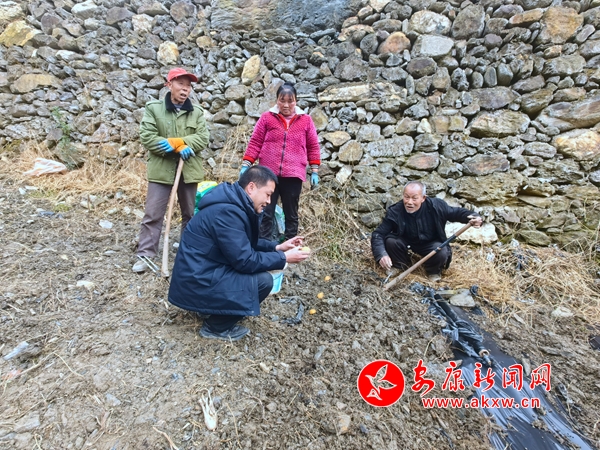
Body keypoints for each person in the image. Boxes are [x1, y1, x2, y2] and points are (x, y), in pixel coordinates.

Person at [168, 165, 311, 341]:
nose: (269, 201)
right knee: (262, 282)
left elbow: (243, 243)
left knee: (254, 274)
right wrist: (284, 258)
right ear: (251, 187)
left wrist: (277, 248)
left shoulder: (233, 205)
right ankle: (215, 327)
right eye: (267, 194)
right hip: (196, 282)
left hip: (200, 274)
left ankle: (210, 309)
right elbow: (245, 260)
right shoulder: (227, 213)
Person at [133, 68, 210, 272]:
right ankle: (146, 255)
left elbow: (203, 138)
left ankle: (188, 253)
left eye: (188, 86)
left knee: (190, 214)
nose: (185, 89)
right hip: (161, 170)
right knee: (153, 213)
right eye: (180, 84)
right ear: (169, 85)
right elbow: (147, 136)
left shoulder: (196, 112)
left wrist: (180, 142)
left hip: (188, 170)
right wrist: (175, 146)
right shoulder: (154, 109)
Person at [240, 82, 321, 241]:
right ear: (277, 100)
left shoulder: (305, 120)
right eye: (282, 100)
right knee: (265, 211)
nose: (286, 105)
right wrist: (246, 164)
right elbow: (256, 142)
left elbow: (313, 145)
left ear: (296, 101)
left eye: (290, 101)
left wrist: (315, 171)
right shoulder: (267, 118)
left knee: (291, 214)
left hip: (293, 175)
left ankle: (291, 245)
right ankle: (263, 245)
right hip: (268, 175)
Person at [371, 181, 483, 282]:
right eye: (406, 197)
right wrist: (381, 254)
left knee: (442, 250)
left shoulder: (436, 206)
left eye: (414, 198)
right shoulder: (395, 211)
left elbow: (455, 213)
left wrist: (473, 216)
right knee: (391, 241)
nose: (409, 202)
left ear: (423, 198)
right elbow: (378, 234)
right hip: (405, 241)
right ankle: (399, 265)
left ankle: (433, 271)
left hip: (430, 243)